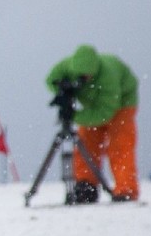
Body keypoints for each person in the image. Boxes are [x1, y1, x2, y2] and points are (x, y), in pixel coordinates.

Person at [46, 44, 140, 203]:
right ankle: (86, 186)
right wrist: (62, 91)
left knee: (120, 146)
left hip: (122, 105)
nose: (84, 80)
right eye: (80, 77)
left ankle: (126, 189)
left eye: (88, 77)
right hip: (93, 107)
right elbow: (51, 80)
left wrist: (73, 115)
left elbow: (105, 113)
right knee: (86, 144)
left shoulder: (108, 76)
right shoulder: (66, 67)